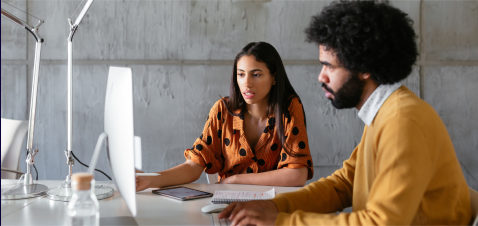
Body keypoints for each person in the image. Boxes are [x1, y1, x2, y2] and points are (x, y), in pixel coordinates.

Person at [219, 1, 473, 226]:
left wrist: (282, 221)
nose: (321, 77)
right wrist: (274, 207)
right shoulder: (384, 114)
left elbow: (382, 223)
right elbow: (342, 186)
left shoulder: (402, 121)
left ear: (363, 67)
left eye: (329, 66)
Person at [136, 42, 314, 191]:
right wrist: (152, 179)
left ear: (274, 77)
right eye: (241, 74)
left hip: (275, 205)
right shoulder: (222, 111)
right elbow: (194, 165)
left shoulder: (289, 109)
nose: (247, 83)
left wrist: (236, 180)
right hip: (228, 203)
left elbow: (297, 175)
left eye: (257, 75)